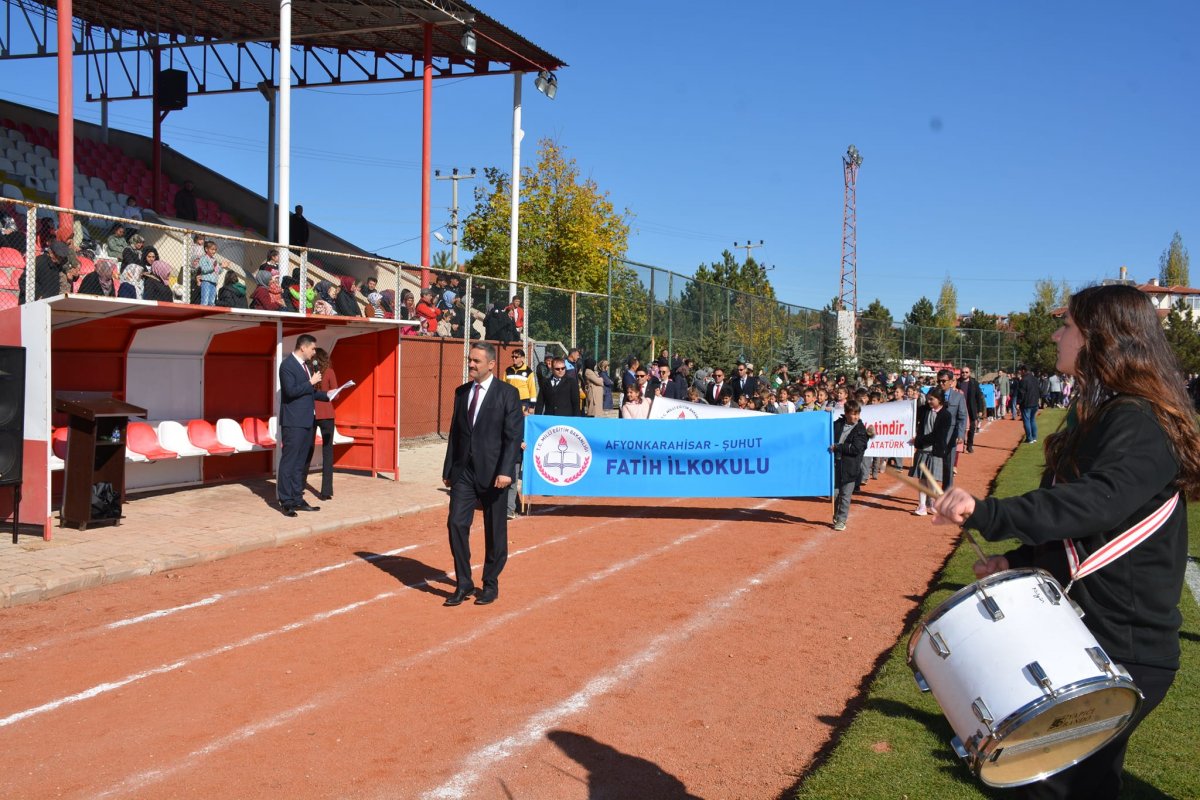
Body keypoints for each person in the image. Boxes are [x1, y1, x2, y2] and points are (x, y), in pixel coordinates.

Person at [933, 285, 1200, 800]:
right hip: (1082, 636)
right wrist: (1019, 559)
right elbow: (1089, 528)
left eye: (1068, 326)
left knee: (1051, 787)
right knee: (1072, 786)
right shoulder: (1106, 414)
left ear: (1101, 338)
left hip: (1121, 649)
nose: (1057, 335)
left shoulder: (1138, 419)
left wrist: (989, 513)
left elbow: (1095, 502)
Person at [442, 343, 523, 607]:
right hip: (464, 472)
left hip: (494, 473)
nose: (471, 364)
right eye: (470, 359)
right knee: (456, 523)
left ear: (491, 364)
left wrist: (506, 471)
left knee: (495, 529)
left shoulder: (507, 394)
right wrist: (448, 469)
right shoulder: (461, 392)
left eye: (476, 361)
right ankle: (463, 583)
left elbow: (513, 436)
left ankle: (490, 583)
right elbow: (455, 432)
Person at [277, 334, 328, 517]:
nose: (314, 352)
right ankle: (286, 501)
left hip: (307, 420)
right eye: (313, 349)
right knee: (289, 461)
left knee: (301, 462)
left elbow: (308, 393)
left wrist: (328, 395)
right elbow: (290, 392)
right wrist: (310, 382)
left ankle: (297, 498)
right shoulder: (287, 366)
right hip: (293, 422)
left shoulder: (305, 366)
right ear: (303, 347)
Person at [908, 387, 952, 515]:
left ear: (940, 400)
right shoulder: (925, 410)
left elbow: (937, 436)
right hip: (923, 450)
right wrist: (914, 400)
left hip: (935, 451)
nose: (929, 401)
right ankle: (922, 505)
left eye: (931, 399)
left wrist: (918, 440)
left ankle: (932, 502)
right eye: (928, 399)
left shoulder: (946, 415)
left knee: (932, 479)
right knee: (922, 478)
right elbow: (912, 411)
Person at [829, 399, 869, 532]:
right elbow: (826, 427)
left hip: (850, 467)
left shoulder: (861, 430)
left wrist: (838, 447)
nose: (856, 416)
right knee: (835, 493)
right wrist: (827, 413)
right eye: (853, 413)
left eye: (858, 414)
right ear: (846, 413)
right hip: (836, 464)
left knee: (845, 495)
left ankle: (841, 520)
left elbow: (856, 449)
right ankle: (836, 515)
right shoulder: (838, 424)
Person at [311, 347, 340, 501]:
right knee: (328, 452)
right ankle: (326, 491)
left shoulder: (310, 373)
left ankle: (299, 487)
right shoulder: (329, 372)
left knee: (307, 450)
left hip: (311, 414)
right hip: (327, 415)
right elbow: (336, 395)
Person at [936, 369, 968, 487]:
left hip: (951, 435)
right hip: (934, 434)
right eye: (939, 381)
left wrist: (960, 435)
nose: (941, 383)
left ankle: (947, 491)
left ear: (951, 381)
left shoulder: (958, 397)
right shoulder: (933, 394)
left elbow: (962, 417)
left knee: (948, 464)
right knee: (933, 464)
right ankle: (931, 493)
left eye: (943, 381)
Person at [957, 367, 986, 453]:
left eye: (966, 372)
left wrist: (980, 410)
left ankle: (969, 445)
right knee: (960, 427)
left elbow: (979, 397)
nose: (964, 374)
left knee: (972, 427)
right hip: (960, 408)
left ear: (969, 373)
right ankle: (961, 444)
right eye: (963, 372)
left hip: (971, 408)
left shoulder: (974, 383)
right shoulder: (957, 382)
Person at [1016, 364, 1042, 443]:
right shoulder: (1035, 379)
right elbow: (1039, 390)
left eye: (1021, 371)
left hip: (1026, 403)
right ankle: (1034, 437)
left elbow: (1022, 393)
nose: (1020, 373)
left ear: (1023, 371)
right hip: (1035, 403)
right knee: (1032, 420)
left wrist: (1018, 403)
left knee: (1026, 420)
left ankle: (1029, 438)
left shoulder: (1023, 380)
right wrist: (1038, 399)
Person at [195, 240, 225, 306]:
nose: (214, 251)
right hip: (206, 281)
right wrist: (213, 266)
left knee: (211, 301)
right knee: (205, 300)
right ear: (206, 249)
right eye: (212, 249)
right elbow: (204, 269)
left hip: (213, 282)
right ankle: (203, 311)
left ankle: (210, 310)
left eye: (215, 250)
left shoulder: (214, 260)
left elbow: (218, 271)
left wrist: (222, 267)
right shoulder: (203, 258)